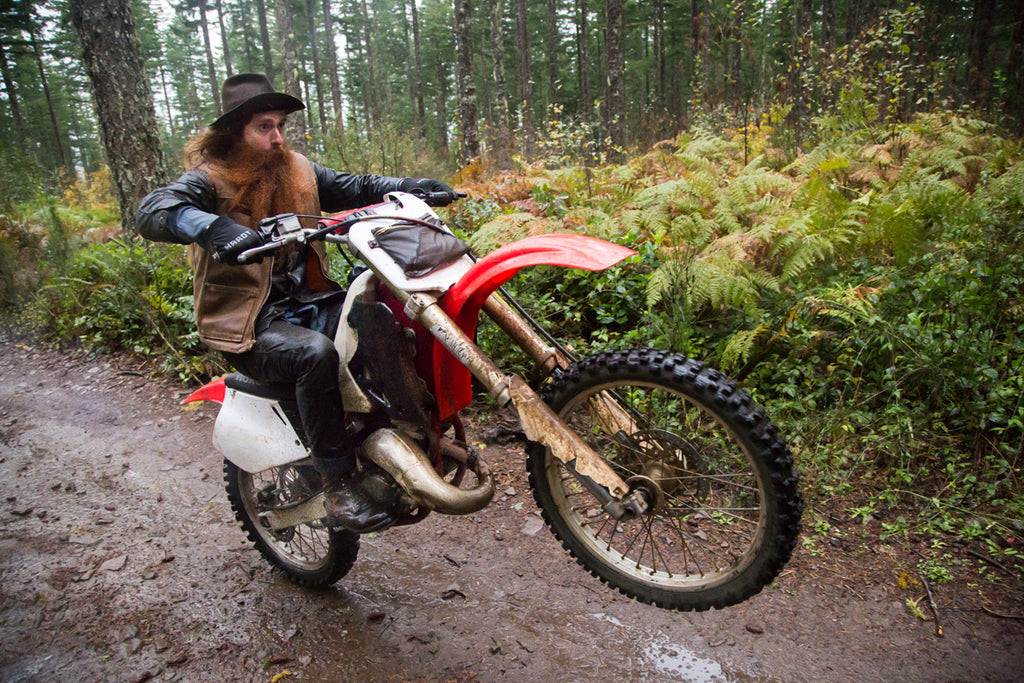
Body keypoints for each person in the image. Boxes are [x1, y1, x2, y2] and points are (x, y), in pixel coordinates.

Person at [136, 73, 456, 532]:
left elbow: (355, 185)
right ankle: (339, 486)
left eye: (280, 125)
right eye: (264, 127)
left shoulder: (297, 169)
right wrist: (213, 228)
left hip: (307, 301)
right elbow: (154, 210)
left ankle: (392, 436)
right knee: (313, 356)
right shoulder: (209, 181)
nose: (277, 137)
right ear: (235, 133)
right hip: (248, 323)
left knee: (385, 314)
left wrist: (410, 186)